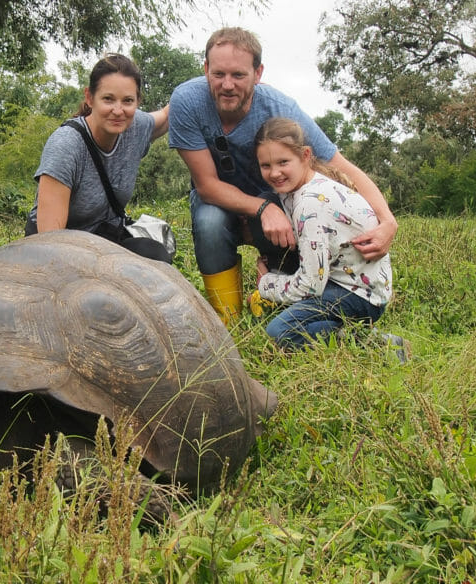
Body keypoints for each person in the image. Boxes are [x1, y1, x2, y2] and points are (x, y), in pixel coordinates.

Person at [168, 27, 397, 321]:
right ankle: (227, 322)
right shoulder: (187, 101)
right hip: (224, 202)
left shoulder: (281, 109)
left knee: (299, 219)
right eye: (218, 74)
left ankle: (280, 296)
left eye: (238, 75)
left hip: (282, 204)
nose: (227, 85)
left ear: (258, 73)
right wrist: (263, 208)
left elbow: (342, 167)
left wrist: (388, 220)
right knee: (209, 221)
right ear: (206, 69)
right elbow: (207, 186)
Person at [249, 117, 392, 349]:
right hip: (353, 284)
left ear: (305, 156)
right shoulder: (301, 188)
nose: (274, 173)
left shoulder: (310, 204)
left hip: (359, 296)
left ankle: (374, 344)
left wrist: (266, 284)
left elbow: (310, 286)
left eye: (283, 162)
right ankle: (346, 331)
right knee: (288, 316)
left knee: (279, 332)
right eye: (266, 166)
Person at [25, 53, 171, 262]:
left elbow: (167, 116)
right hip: (57, 249)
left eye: (128, 101)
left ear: (138, 102)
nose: (118, 110)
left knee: (154, 255)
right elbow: (49, 241)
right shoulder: (66, 146)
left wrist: (214, 79)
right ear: (89, 97)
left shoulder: (135, 126)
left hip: (104, 241)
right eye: (108, 99)